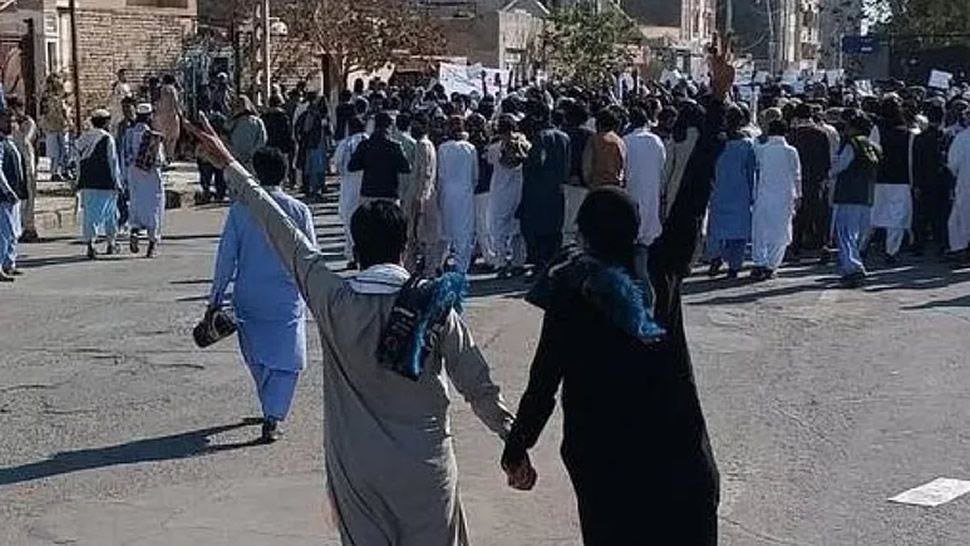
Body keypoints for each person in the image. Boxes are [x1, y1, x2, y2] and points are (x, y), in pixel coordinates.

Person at [190, 117, 515, 545]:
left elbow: (281, 231)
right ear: (404, 246)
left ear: (356, 250)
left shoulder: (333, 300)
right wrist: (514, 441)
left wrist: (231, 165)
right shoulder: (434, 305)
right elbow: (478, 385)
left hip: (357, 472)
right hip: (426, 468)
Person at [209, 147, 317, 443]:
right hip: (286, 299)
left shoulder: (241, 210)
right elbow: (311, 258)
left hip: (249, 296)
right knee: (287, 359)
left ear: (255, 173)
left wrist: (215, 297)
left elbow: (226, 257)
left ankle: (269, 405)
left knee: (256, 355)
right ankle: (273, 413)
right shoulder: (299, 210)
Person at [830, 113, 881, 287]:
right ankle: (856, 261)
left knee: (845, 234)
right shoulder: (874, 146)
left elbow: (839, 166)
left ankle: (852, 268)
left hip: (848, 194)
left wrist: (828, 173)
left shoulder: (852, 144)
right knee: (860, 234)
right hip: (867, 195)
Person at [707, 105, 756, 278]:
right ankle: (734, 266)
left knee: (716, 228)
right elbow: (751, 171)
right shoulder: (747, 144)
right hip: (740, 191)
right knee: (739, 231)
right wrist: (752, 193)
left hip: (719, 189)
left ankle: (715, 257)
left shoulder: (716, 142)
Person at [520, 101, 569, 272]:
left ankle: (541, 265)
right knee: (555, 228)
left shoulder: (541, 137)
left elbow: (536, 161)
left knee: (539, 229)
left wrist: (524, 161)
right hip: (557, 189)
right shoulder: (564, 137)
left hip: (539, 190)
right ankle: (552, 263)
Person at [751, 120, 802, 280]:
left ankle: (759, 262)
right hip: (785, 196)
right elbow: (797, 176)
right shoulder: (791, 151)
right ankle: (772, 265)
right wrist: (799, 195)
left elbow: (755, 147)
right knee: (781, 231)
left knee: (760, 230)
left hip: (764, 195)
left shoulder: (762, 150)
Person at [870, 97, 915, 264]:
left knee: (873, 214)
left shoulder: (877, 129)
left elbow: (872, 153)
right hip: (901, 180)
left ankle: (861, 246)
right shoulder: (908, 132)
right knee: (897, 218)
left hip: (880, 179)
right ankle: (891, 251)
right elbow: (910, 159)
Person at [486, 114, 531, 277]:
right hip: (519, 191)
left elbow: (489, 161)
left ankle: (501, 262)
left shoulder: (494, 149)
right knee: (517, 228)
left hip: (500, 193)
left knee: (498, 229)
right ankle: (518, 261)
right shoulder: (525, 145)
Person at [75, 110, 123, 259]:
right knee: (111, 214)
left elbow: (77, 161)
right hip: (106, 182)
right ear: (106, 122)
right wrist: (118, 182)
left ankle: (91, 244)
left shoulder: (83, 138)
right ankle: (111, 243)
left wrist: (78, 181)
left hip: (87, 182)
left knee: (90, 215)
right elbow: (112, 162)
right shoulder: (107, 138)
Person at [788, 103, 833, 261]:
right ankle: (823, 246)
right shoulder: (821, 134)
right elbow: (827, 161)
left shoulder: (792, 136)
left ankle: (795, 247)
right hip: (817, 180)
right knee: (819, 215)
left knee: (798, 216)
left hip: (798, 180)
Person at [436, 116, 479, 273]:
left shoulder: (442, 148)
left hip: (446, 192)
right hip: (465, 193)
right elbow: (475, 175)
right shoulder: (470, 148)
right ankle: (461, 268)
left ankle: (439, 264)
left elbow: (440, 174)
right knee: (464, 232)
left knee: (445, 230)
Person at [623, 106, 667, 252]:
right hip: (652, 188)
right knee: (649, 226)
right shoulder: (656, 141)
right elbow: (662, 165)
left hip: (632, 187)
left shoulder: (626, 141)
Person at [124, 103, 165, 258]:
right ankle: (152, 243)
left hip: (133, 173)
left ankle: (134, 230)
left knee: (136, 204)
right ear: (149, 116)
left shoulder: (129, 133)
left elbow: (125, 154)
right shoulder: (153, 136)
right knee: (154, 206)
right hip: (151, 175)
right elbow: (158, 159)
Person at [912, 102, 952, 256]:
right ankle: (941, 244)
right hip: (942, 181)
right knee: (941, 215)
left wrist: (916, 184)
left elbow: (916, 162)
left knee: (922, 214)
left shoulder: (920, 138)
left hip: (924, 180)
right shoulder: (946, 137)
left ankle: (919, 245)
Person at [404, 114, 442, 275]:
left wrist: (420, 198)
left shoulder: (423, 145)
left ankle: (424, 269)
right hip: (422, 194)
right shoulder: (424, 144)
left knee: (419, 235)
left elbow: (425, 173)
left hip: (421, 196)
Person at [348, 111, 410, 206]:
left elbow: (351, 167)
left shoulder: (364, 145)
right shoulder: (395, 146)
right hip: (389, 195)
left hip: (368, 194)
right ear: (390, 127)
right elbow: (406, 168)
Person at [335, 116, 368, 267]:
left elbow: (337, 164)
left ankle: (353, 255)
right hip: (366, 187)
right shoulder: (369, 141)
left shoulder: (345, 144)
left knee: (349, 222)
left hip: (348, 188)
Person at [561, 102, 593, 243]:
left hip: (565, 182)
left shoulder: (563, 134)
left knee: (565, 223)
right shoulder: (590, 136)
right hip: (584, 183)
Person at [467, 113, 496, 269]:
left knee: (481, 224)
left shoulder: (475, 145)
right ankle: (478, 251)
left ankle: (489, 257)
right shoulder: (486, 143)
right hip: (485, 187)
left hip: (479, 188)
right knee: (482, 223)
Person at [9, 96, 38, 242]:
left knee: (28, 195)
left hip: (27, 162)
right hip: (14, 163)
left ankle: (29, 228)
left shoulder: (28, 123)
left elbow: (25, 141)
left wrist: (15, 128)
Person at [0, 110, 23, 281]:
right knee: (4, 232)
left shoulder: (10, 142)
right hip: (4, 195)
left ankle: (9, 263)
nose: (10, 124)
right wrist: (7, 190)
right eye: (6, 121)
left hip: (15, 194)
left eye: (13, 121)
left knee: (14, 231)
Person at [582, 108, 626, 188]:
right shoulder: (620, 141)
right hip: (615, 185)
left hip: (598, 183)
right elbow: (623, 166)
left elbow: (587, 166)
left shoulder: (594, 140)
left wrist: (589, 183)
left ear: (599, 123)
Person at [296, 97, 330, 199]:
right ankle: (316, 190)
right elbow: (326, 131)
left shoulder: (304, 115)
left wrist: (301, 141)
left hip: (308, 145)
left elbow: (298, 129)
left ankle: (310, 189)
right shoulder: (318, 117)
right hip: (317, 144)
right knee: (316, 168)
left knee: (309, 168)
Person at [39, 74, 70, 181]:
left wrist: (68, 121)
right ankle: (54, 172)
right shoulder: (46, 97)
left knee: (65, 149)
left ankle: (65, 170)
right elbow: (43, 112)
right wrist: (43, 125)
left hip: (62, 125)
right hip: (51, 126)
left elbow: (66, 110)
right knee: (54, 151)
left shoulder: (63, 96)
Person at [948, 109, 970, 257]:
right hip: (965, 182)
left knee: (959, 218)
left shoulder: (961, 138)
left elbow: (953, 164)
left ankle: (961, 248)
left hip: (966, 182)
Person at [228, 95, 268, 172]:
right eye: (237, 104)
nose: (238, 106)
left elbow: (262, 139)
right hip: (235, 158)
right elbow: (225, 138)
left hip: (250, 159)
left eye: (241, 104)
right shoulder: (231, 122)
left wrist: (252, 154)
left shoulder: (256, 121)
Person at [261, 95, 295, 175]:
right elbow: (288, 133)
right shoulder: (283, 117)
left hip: (268, 147)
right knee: (282, 169)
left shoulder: (264, 117)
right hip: (282, 148)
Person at [155, 74, 182, 163]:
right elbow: (175, 102)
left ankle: (163, 157)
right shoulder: (172, 89)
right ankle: (169, 157)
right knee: (173, 138)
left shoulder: (160, 89)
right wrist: (180, 114)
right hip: (172, 116)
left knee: (164, 138)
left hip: (161, 117)